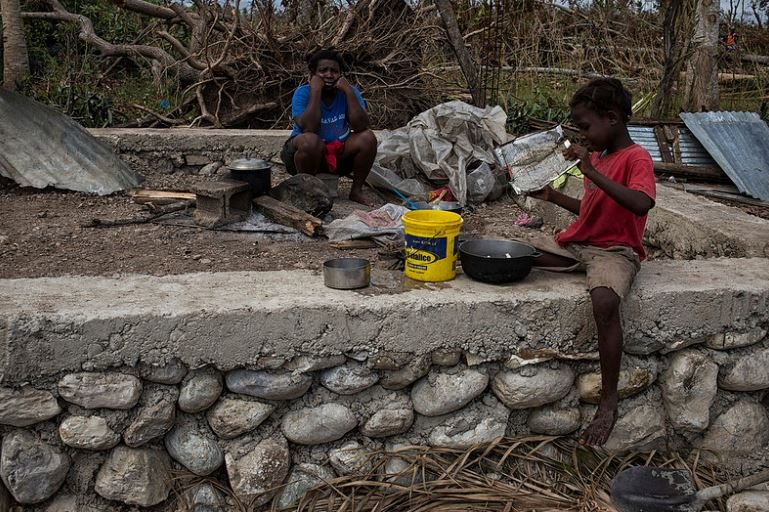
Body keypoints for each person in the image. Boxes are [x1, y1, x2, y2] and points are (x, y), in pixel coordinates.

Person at [527, 78, 656, 446]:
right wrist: (552, 196)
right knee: (517, 255)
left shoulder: (636, 158)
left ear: (612, 118)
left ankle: (609, 403)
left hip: (616, 250)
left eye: (585, 127)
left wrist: (590, 171)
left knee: (604, 300)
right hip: (581, 243)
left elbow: (640, 203)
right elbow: (593, 210)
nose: (582, 136)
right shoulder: (598, 158)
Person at [280, 48, 378, 206]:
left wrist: (348, 91)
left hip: (337, 155)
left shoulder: (349, 92)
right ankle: (307, 192)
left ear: (341, 74)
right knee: (311, 141)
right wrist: (316, 90)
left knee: (368, 138)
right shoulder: (303, 93)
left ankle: (356, 191)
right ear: (313, 74)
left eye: (334, 71)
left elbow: (361, 126)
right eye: (323, 71)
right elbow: (309, 128)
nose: (329, 75)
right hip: (304, 156)